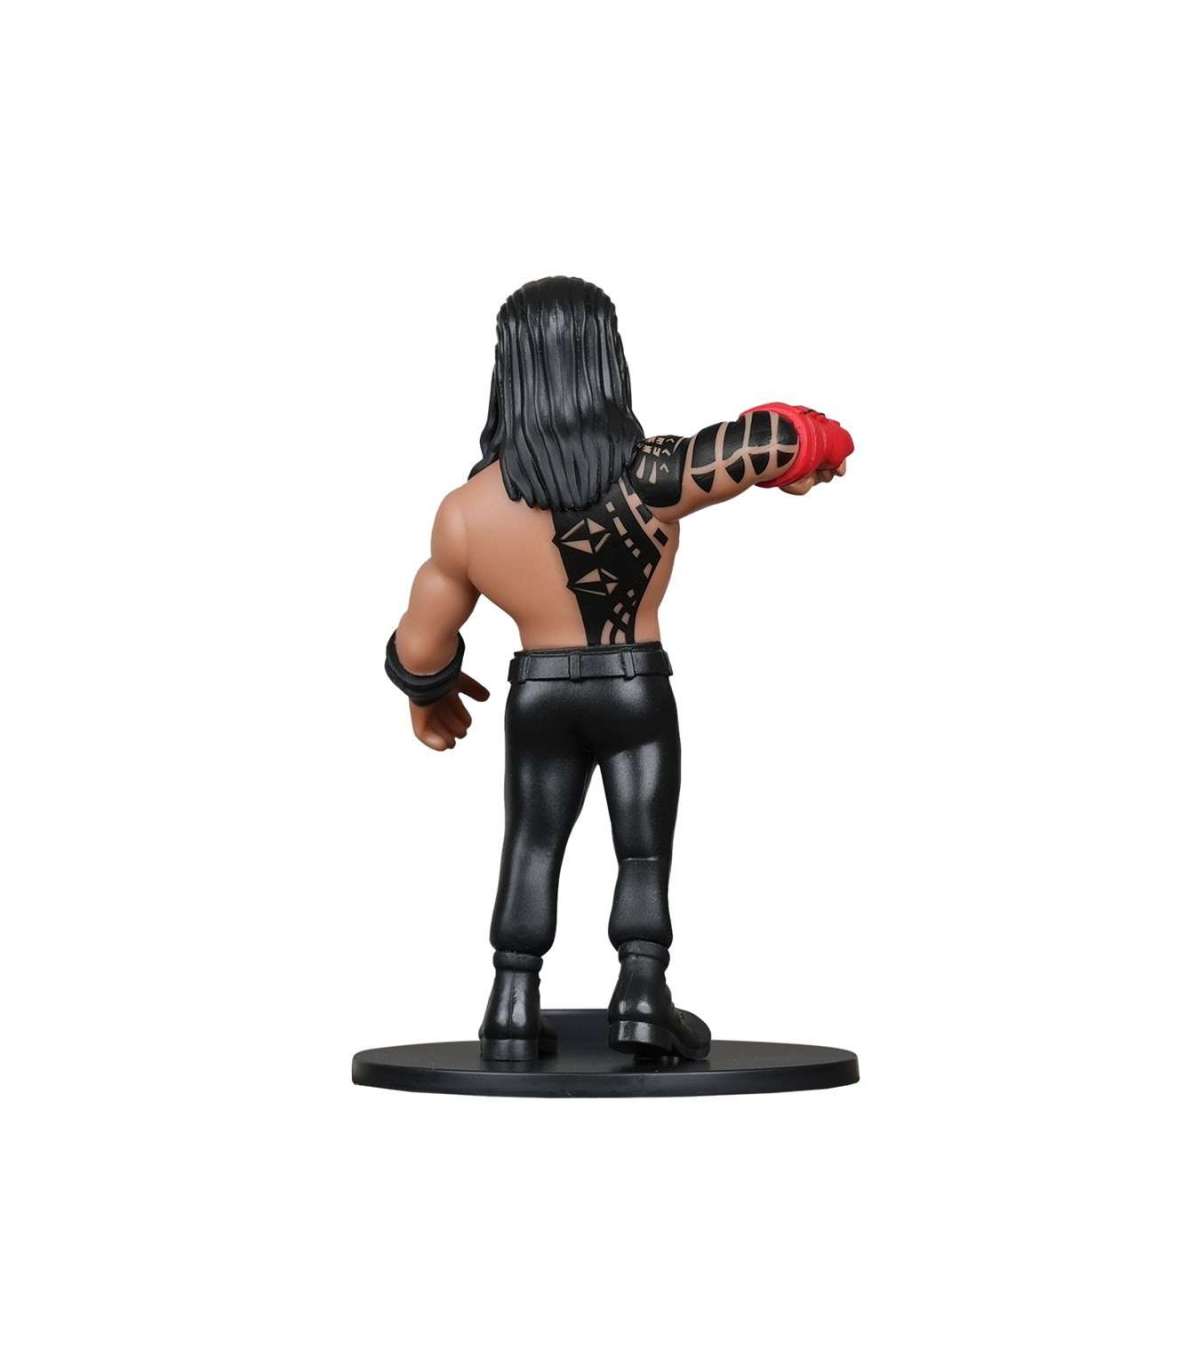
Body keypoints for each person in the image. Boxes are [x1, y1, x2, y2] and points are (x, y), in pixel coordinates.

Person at [386, 277, 853, 1062]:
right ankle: (641, 990)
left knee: (531, 841)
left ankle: (511, 1000)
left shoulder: (466, 512)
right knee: (642, 848)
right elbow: (766, 439)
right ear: (607, 360)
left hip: (539, 695)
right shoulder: (654, 475)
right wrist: (812, 453)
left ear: (509, 368)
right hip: (633, 685)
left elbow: (422, 637)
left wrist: (426, 695)